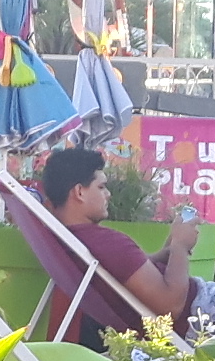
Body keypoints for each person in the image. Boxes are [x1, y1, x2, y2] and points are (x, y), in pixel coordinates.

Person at [35, 145, 201, 344]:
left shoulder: (72, 242)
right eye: (101, 187)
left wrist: (169, 252)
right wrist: (181, 246)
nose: (108, 194)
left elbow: (122, 273)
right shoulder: (108, 244)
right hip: (203, 312)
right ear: (79, 192)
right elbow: (171, 307)